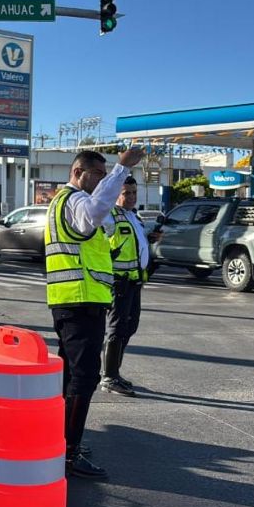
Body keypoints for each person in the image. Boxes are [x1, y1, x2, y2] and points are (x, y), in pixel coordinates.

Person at [45, 148, 145, 480]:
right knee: (83, 378)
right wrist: (120, 168)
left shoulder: (65, 202)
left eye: (105, 176)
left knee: (70, 377)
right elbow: (93, 212)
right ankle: (69, 452)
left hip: (75, 301)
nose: (104, 182)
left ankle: (60, 443)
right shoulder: (73, 201)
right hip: (79, 302)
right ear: (79, 173)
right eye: (98, 175)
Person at [100, 177, 162, 397]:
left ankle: (114, 371)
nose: (132, 197)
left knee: (130, 326)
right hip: (120, 281)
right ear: (116, 194)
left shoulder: (134, 216)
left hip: (135, 281)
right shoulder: (110, 216)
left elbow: (135, 243)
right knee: (116, 328)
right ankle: (108, 377)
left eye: (134, 192)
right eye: (127, 193)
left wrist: (150, 238)